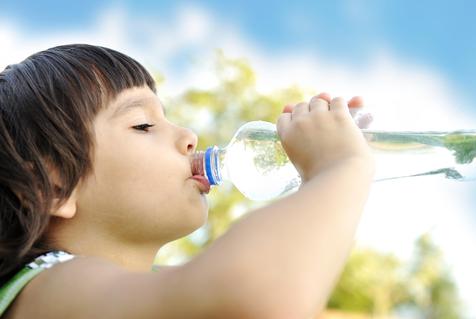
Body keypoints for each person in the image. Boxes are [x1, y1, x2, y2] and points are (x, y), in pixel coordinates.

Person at [0, 44, 374, 319]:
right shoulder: (49, 291)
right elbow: (249, 295)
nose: (189, 136)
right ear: (56, 184)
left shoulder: (163, 287)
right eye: (143, 125)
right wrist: (340, 167)